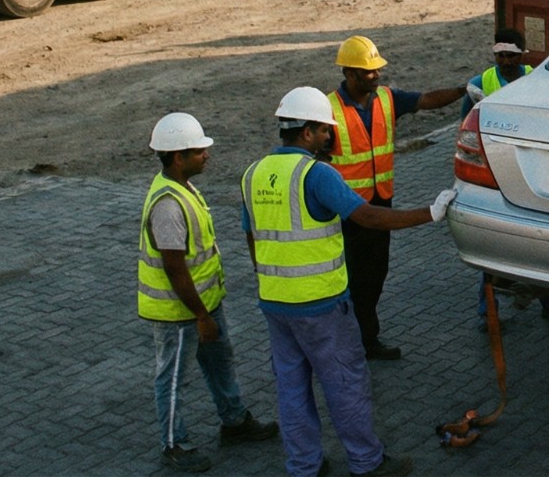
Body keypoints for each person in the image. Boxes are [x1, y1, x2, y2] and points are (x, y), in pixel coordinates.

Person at [241, 87, 456, 477]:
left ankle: (304, 466)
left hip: (275, 304)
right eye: (325, 130)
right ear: (306, 132)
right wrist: (431, 213)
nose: (330, 138)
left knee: (291, 390)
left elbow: (251, 236)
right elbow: (368, 217)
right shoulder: (316, 174)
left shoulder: (252, 174)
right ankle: (366, 461)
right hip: (322, 304)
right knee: (345, 383)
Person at [139, 112, 278, 473]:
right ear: (177, 157)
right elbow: (174, 266)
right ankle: (174, 443)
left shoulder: (183, 187)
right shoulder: (168, 205)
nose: (206, 155)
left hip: (205, 304)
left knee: (220, 364)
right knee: (171, 380)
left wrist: (207, 310)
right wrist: (200, 316)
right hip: (181, 314)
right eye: (198, 150)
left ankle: (234, 421)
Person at [326, 34, 467, 360]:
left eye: (377, 70)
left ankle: (367, 340)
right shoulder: (328, 109)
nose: (376, 76)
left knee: (375, 276)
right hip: (345, 212)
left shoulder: (387, 99)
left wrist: (462, 91)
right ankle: (346, 343)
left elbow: (427, 100)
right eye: (369, 71)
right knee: (345, 280)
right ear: (349, 73)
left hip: (380, 205)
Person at [464, 28, 549, 329]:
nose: (505, 61)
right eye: (500, 55)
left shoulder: (539, 79)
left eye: (511, 55)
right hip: (498, 173)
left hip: (538, 173)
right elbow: (467, 129)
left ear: (522, 54)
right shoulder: (480, 84)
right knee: (494, 250)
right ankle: (488, 314)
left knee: (543, 248)